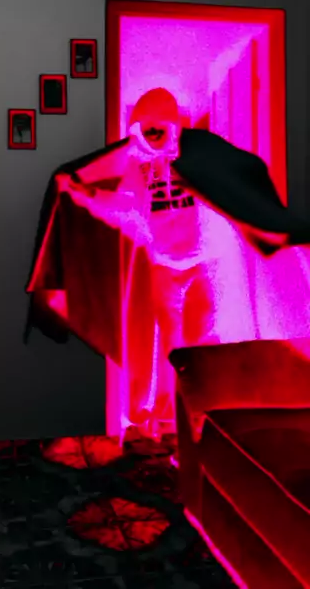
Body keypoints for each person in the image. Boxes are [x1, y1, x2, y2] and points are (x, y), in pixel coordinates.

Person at [60, 88, 228, 435]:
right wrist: (84, 194)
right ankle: (175, 422)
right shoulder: (138, 170)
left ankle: (209, 417)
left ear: (172, 125)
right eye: (146, 128)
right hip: (165, 268)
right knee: (173, 351)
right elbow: (121, 208)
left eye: (158, 127)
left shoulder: (197, 156)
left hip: (204, 264)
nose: (153, 134)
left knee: (205, 341)